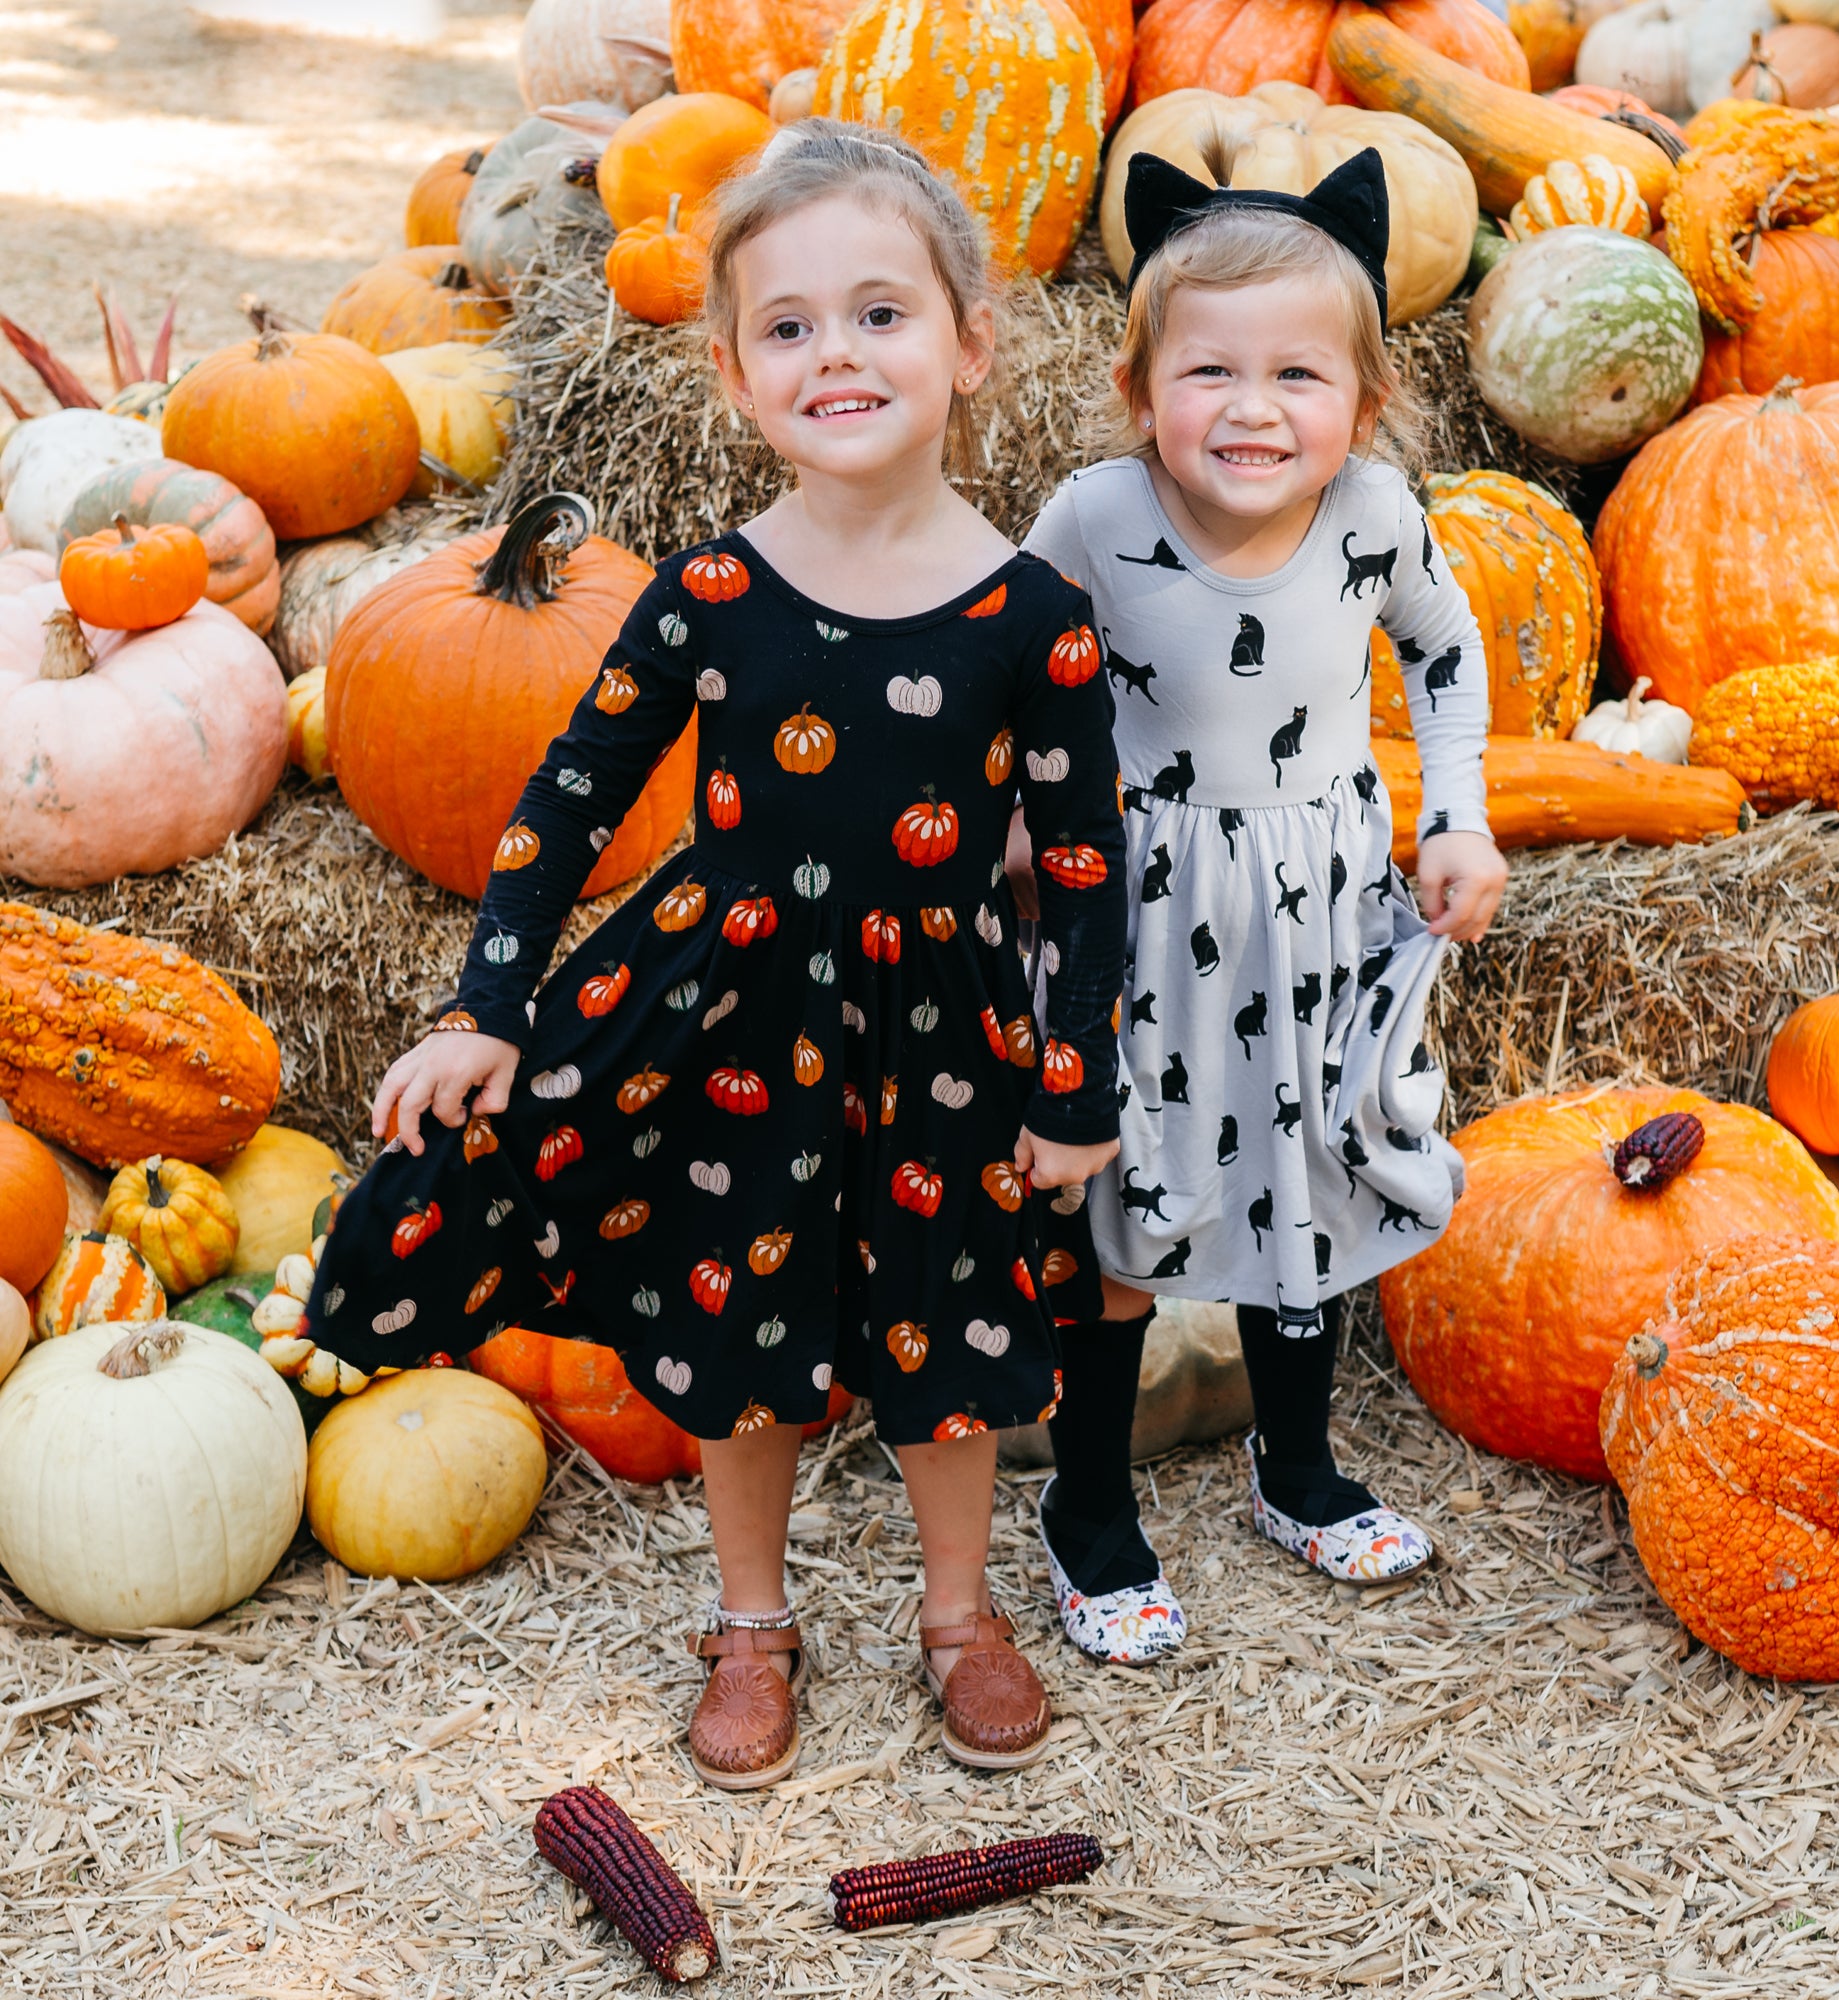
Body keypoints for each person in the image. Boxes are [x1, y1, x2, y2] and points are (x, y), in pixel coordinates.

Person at [304, 121, 1126, 1782]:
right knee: (741, 1332)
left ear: (974, 344)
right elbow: (562, 801)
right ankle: (752, 1621)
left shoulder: (1034, 615)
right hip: (731, 1023)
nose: (837, 352)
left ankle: (959, 1615)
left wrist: (1076, 1080)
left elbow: (1093, 868)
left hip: (940, 1040)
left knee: (944, 1340)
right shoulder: (702, 597)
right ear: (736, 373)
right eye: (791, 325)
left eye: (882, 313)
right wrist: (487, 1007)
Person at [1013, 151, 1509, 1665]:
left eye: (1297, 373)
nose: (1250, 406)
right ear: (1138, 383)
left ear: (1362, 401)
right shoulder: (1094, 520)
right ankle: (1090, 1511)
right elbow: (1008, 673)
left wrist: (1458, 811)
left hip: (1323, 898)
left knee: (1312, 1170)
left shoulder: (1373, 512)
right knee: (1123, 1190)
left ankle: (1296, 1469)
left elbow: (1446, 651)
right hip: (1140, 910)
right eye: (1207, 369)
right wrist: (1014, 836)